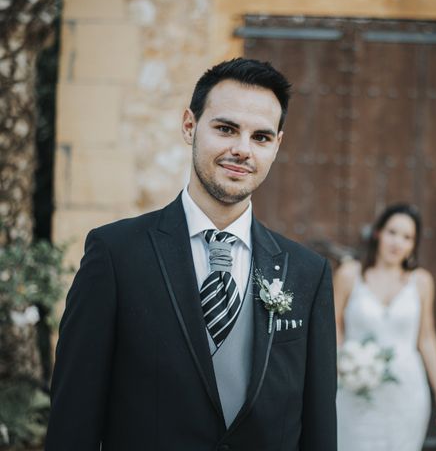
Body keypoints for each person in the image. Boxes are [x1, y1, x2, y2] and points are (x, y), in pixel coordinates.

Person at [45, 58, 337, 451]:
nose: (241, 150)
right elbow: (74, 417)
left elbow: (319, 426)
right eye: (225, 128)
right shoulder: (115, 254)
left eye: (261, 137)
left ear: (277, 145)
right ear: (189, 126)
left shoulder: (308, 273)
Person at [334, 203, 436, 451]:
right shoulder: (349, 274)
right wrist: (343, 363)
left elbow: (426, 339)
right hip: (353, 387)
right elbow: (332, 326)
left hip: (406, 392)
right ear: (378, 233)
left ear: (413, 244)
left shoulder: (421, 282)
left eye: (407, 237)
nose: (397, 242)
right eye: (392, 232)